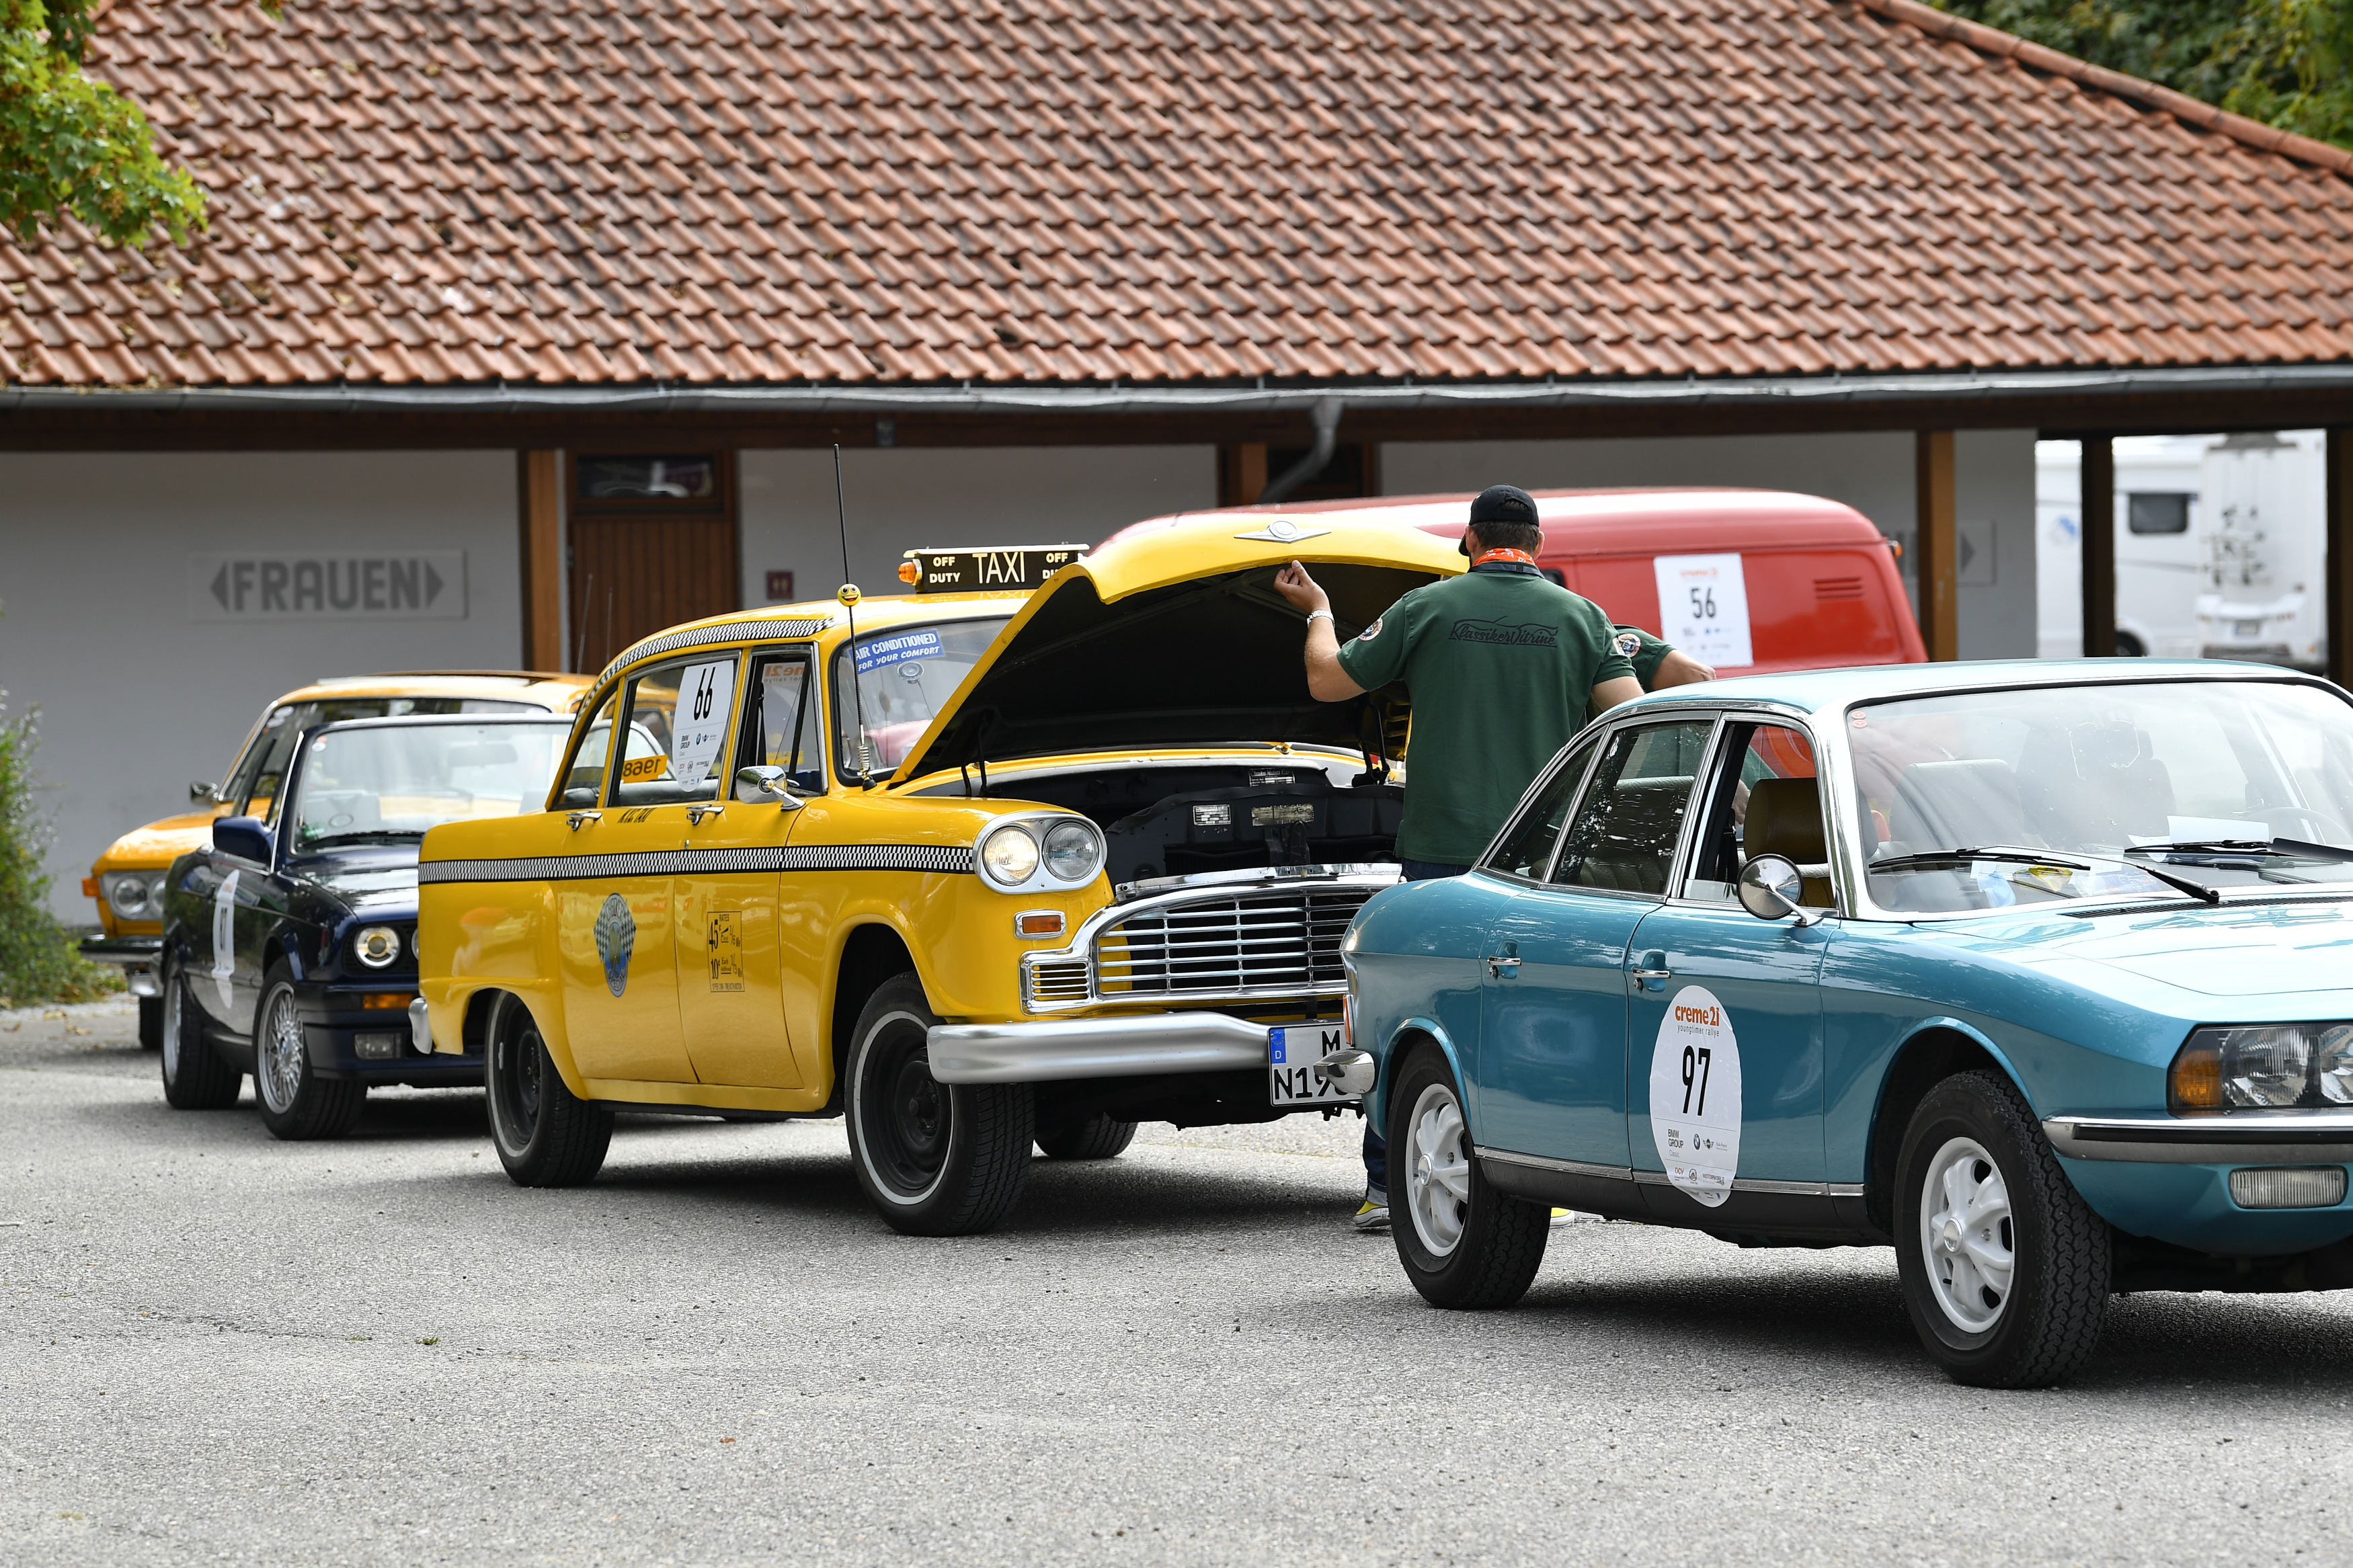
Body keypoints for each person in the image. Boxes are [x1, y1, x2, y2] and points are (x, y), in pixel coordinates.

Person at [1271, 485, 1711, 1230]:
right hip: (1545, 862)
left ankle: (1388, 1188)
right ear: (1538, 545)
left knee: (1416, 1012)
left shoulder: (1425, 607)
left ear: (1469, 541)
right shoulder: (1582, 617)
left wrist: (1318, 610)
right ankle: (1548, 1182)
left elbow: (1326, 678)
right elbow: (1630, 717)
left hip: (1441, 850)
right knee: (1541, 1014)